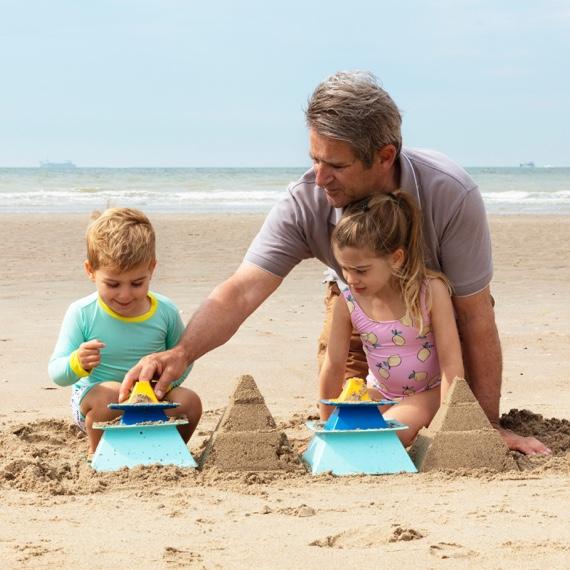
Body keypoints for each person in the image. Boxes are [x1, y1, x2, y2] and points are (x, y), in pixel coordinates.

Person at [121, 71, 549, 456]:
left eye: (336, 165)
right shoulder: (306, 200)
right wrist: (181, 352)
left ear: (384, 155)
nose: (320, 177)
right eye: (314, 159)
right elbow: (243, 289)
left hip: (435, 304)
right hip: (360, 303)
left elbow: (474, 314)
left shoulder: (451, 193)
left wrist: (483, 424)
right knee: (356, 415)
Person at [48, 208, 202, 454]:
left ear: (152, 268)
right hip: (98, 403)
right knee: (109, 391)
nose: (125, 294)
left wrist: (161, 386)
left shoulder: (165, 311)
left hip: (152, 401)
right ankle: (98, 454)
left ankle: (168, 452)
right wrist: (77, 362)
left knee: (190, 402)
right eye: (113, 284)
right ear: (90, 271)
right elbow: (57, 373)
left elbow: (184, 358)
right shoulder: (83, 312)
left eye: (137, 283)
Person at [319, 191, 464, 445]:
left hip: (426, 394)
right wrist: (327, 429)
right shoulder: (348, 302)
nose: (351, 279)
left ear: (395, 259)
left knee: (387, 435)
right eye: (344, 269)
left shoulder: (429, 292)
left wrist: (446, 421)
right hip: (379, 393)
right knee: (350, 433)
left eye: (361, 270)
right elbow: (332, 367)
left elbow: (451, 363)